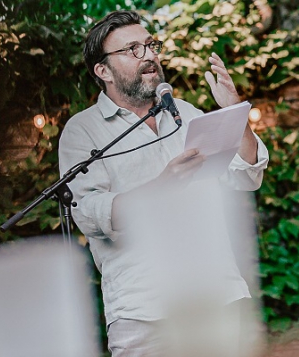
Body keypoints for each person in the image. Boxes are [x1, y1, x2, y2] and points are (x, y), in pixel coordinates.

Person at [58, 10, 269, 357]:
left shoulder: (185, 113)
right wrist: (163, 184)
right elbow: (91, 216)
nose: (150, 56)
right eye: (133, 49)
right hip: (143, 312)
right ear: (103, 70)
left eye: (151, 46)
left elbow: (247, 174)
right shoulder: (83, 131)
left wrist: (236, 114)